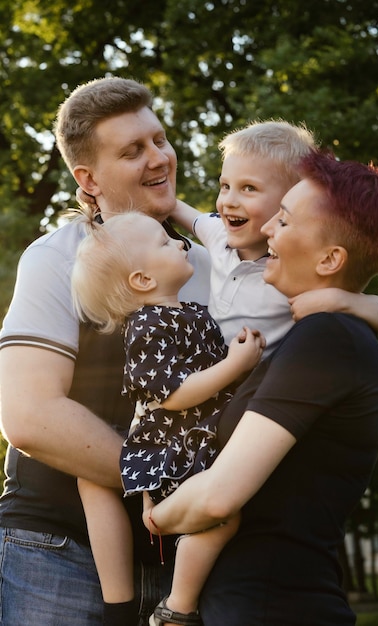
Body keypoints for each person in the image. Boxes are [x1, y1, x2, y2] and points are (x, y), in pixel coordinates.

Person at [142, 150, 378, 625]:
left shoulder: (329, 338)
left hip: (275, 607)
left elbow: (218, 498)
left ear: (331, 259)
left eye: (284, 222)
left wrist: (154, 518)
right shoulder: (314, 335)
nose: (267, 229)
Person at [0, 77, 212, 626]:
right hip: (55, 550)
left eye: (159, 140)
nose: (158, 157)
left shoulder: (206, 263)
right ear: (87, 179)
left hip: (186, 561)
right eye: (132, 150)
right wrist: (171, 483)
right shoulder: (56, 259)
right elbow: (29, 416)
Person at [71, 210, 264, 626]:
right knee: (220, 520)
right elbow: (172, 395)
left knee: (227, 514)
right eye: (164, 243)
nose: (179, 243)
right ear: (142, 280)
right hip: (179, 450)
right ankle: (178, 605)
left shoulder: (191, 312)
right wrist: (237, 364)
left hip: (200, 439)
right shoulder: (147, 324)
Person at [172, 120, 378, 356]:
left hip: (253, 386)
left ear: (291, 198)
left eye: (249, 188)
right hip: (201, 370)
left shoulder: (293, 272)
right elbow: (172, 206)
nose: (229, 201)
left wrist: (340, 299)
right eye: (225, 186)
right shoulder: (218, 234)